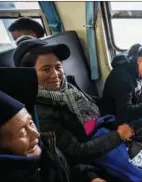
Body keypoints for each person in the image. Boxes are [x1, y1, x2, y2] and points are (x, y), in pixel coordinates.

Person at [12, 38, 135, 170]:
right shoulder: (40, 112)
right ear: (27, 74)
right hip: (88, 160)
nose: (55, 74)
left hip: (97, 133)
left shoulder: (68, 89)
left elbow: (94, 111)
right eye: (46, 69)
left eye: (58, 67)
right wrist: (117, 136)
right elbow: (76, 153)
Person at [101, 43, 142, 123]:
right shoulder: (122, 78)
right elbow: (125, 113)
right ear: (140, 60)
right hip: (117, 120)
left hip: (133, 111)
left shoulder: (137, 67)